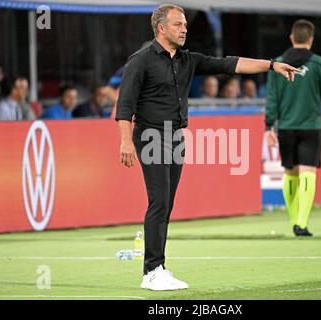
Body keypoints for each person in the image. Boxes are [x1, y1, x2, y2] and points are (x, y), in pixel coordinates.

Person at [116, 3, 298, 291]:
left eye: (185, 24)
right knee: (159, 201)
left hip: (176, 137)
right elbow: (124, 105)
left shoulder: (188, 60)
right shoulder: (140, 60)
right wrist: (126, 141)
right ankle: (151, 271)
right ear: (161, 28)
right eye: (178, 24)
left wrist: (272, 65)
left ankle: (159, 267)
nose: (185, 28)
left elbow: (230, 64)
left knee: (167, 204)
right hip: (150, 135)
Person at [265, 19, 321, 237]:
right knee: (308, 172)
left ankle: (294, 219)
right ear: (311, 39)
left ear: (291, 38)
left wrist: (269, 125)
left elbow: (272, 97)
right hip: (311, 127)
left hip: (285, 127)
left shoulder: (277, 63)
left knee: (289, 172)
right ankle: (302, 223)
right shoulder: (318, 63)